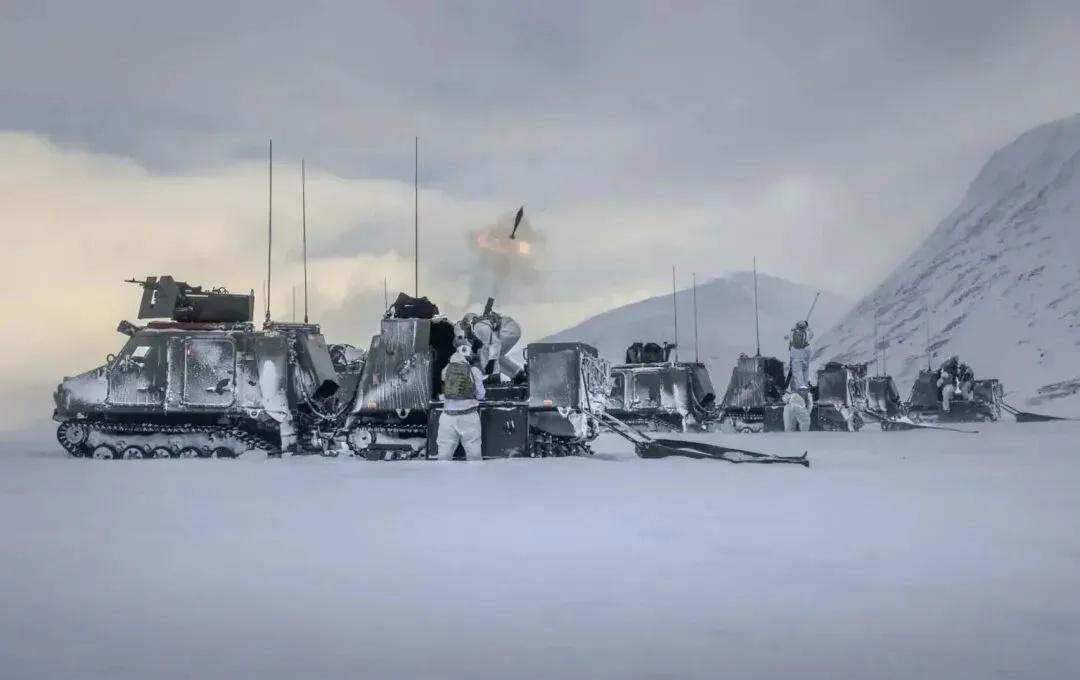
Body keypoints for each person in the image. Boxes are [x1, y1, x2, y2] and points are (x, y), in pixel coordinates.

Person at [437, 339, 487, 461]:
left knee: (444, 456)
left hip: (447, 417)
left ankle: (442, 473)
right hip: (469, 417)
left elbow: (442, 390)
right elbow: (481, 395)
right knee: (474, 455)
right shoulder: (474, 371)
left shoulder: (446, 370)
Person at [786, 320, 814, 389]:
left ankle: (801, 388)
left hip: (796, 353)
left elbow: (789, 338)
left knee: (797, 372)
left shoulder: (793, 331)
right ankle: (805, 387)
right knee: (805, 371)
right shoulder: (808, 332)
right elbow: (811, 335)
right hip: (806, 353)